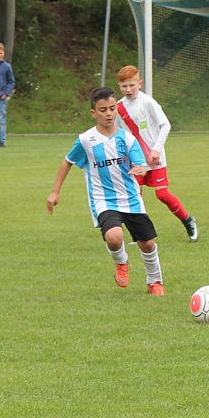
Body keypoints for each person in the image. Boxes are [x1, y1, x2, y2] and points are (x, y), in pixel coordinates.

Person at [47, 87, 166, 296]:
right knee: (114, 236)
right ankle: (121, 261)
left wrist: (141, 168)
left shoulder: (127, 138)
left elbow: (140, 164)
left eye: (112, 108)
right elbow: (67, 161)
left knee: (147, 243)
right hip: (103, 200)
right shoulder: (86, 140)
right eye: (103, 110)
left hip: (131, 198)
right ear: (94, 113)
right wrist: (55, 192)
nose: (109, 113)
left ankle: (154, 281)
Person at [115, 65, 198, 242]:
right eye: (124, 86)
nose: (128, 89)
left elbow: (165, 125)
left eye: (132, 85)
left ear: (140, 84)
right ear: (119, 86)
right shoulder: (118, 107)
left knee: (162, 194)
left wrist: (156, 149)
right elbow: (118, 132)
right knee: (134, 195)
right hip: (134, 159)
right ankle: (141, 235)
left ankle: (188, 220)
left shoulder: (147, 102)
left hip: (154, 157)